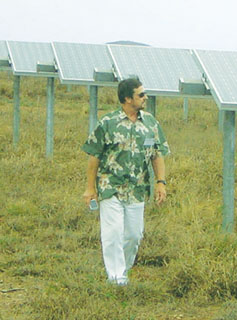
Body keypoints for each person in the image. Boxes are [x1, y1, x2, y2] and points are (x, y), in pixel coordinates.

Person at [82, 78, 170, 286]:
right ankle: (117, 279)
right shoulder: (108, 123)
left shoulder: (151, 124)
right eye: (140, 95)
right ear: (127, 99)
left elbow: (157, 155)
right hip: (110, 187)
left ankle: (123, 270)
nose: (145, 98)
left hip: (137, 189)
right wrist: (89, 188)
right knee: (112, 233)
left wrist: (161, 182)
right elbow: (94, 156)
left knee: (133, 234)